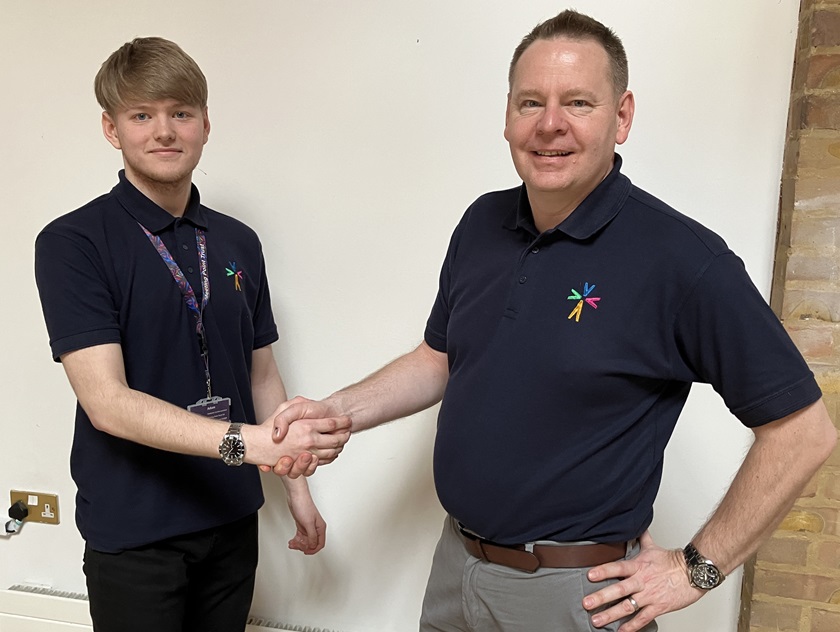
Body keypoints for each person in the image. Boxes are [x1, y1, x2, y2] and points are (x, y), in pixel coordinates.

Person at [268, 9, 837, 632]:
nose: (549, 124)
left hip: (576, 595)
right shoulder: (481, 224)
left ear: (622, 117)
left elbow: (803, 431)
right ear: (507, 116)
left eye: (579, 103)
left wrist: (696, 568)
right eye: (531, 102)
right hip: (456, 567)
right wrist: (339, 412)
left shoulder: (683, 260)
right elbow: (440, 358)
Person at [33, 37, 350, 632]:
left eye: (180, 112)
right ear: (111, 128)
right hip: (137, 532)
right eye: (141, 115)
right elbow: (107, 403)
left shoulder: (237, 241)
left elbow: (261, 372)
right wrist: (246, 445)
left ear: (205, 123)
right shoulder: (73, 243)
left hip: (231, 517)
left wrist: (297, 489)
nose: (164, 131)